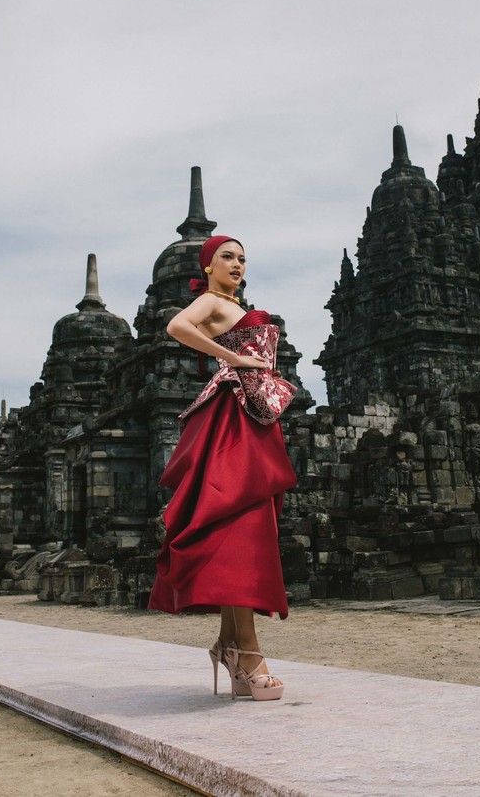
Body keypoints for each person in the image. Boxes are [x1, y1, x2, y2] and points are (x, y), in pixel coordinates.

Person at [148, 235, 298, 701]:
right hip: (231, 417)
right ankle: (247, 652)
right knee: (239, 523)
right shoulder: (211, 301)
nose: (237, 264)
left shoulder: (232, 304)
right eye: (226, 257)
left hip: (252, 414)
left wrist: (259, 371)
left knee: (248, 522)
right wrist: (233, 359)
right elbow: (176, 325)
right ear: (208, 267)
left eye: (242, 258)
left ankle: (231, 645)